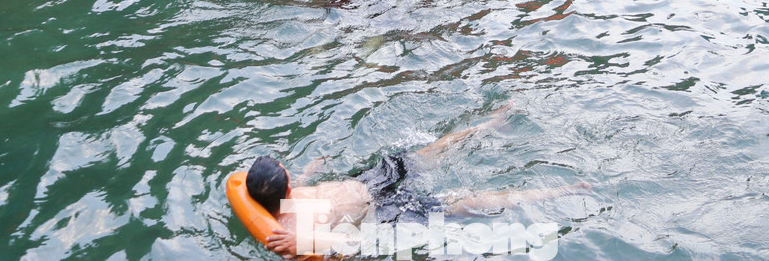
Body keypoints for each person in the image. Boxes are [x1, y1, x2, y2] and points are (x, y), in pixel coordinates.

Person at [244, 108, 581, 258]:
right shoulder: (291, 235)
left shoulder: (283, 196)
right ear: (284, 189)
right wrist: (306, 243)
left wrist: (308, 174)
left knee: (428, 151)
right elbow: (348, 245)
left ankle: (490, 126)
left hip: (369, 182)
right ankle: (555, 192)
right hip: (386, 212)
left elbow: (295, 195)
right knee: (461, 203)